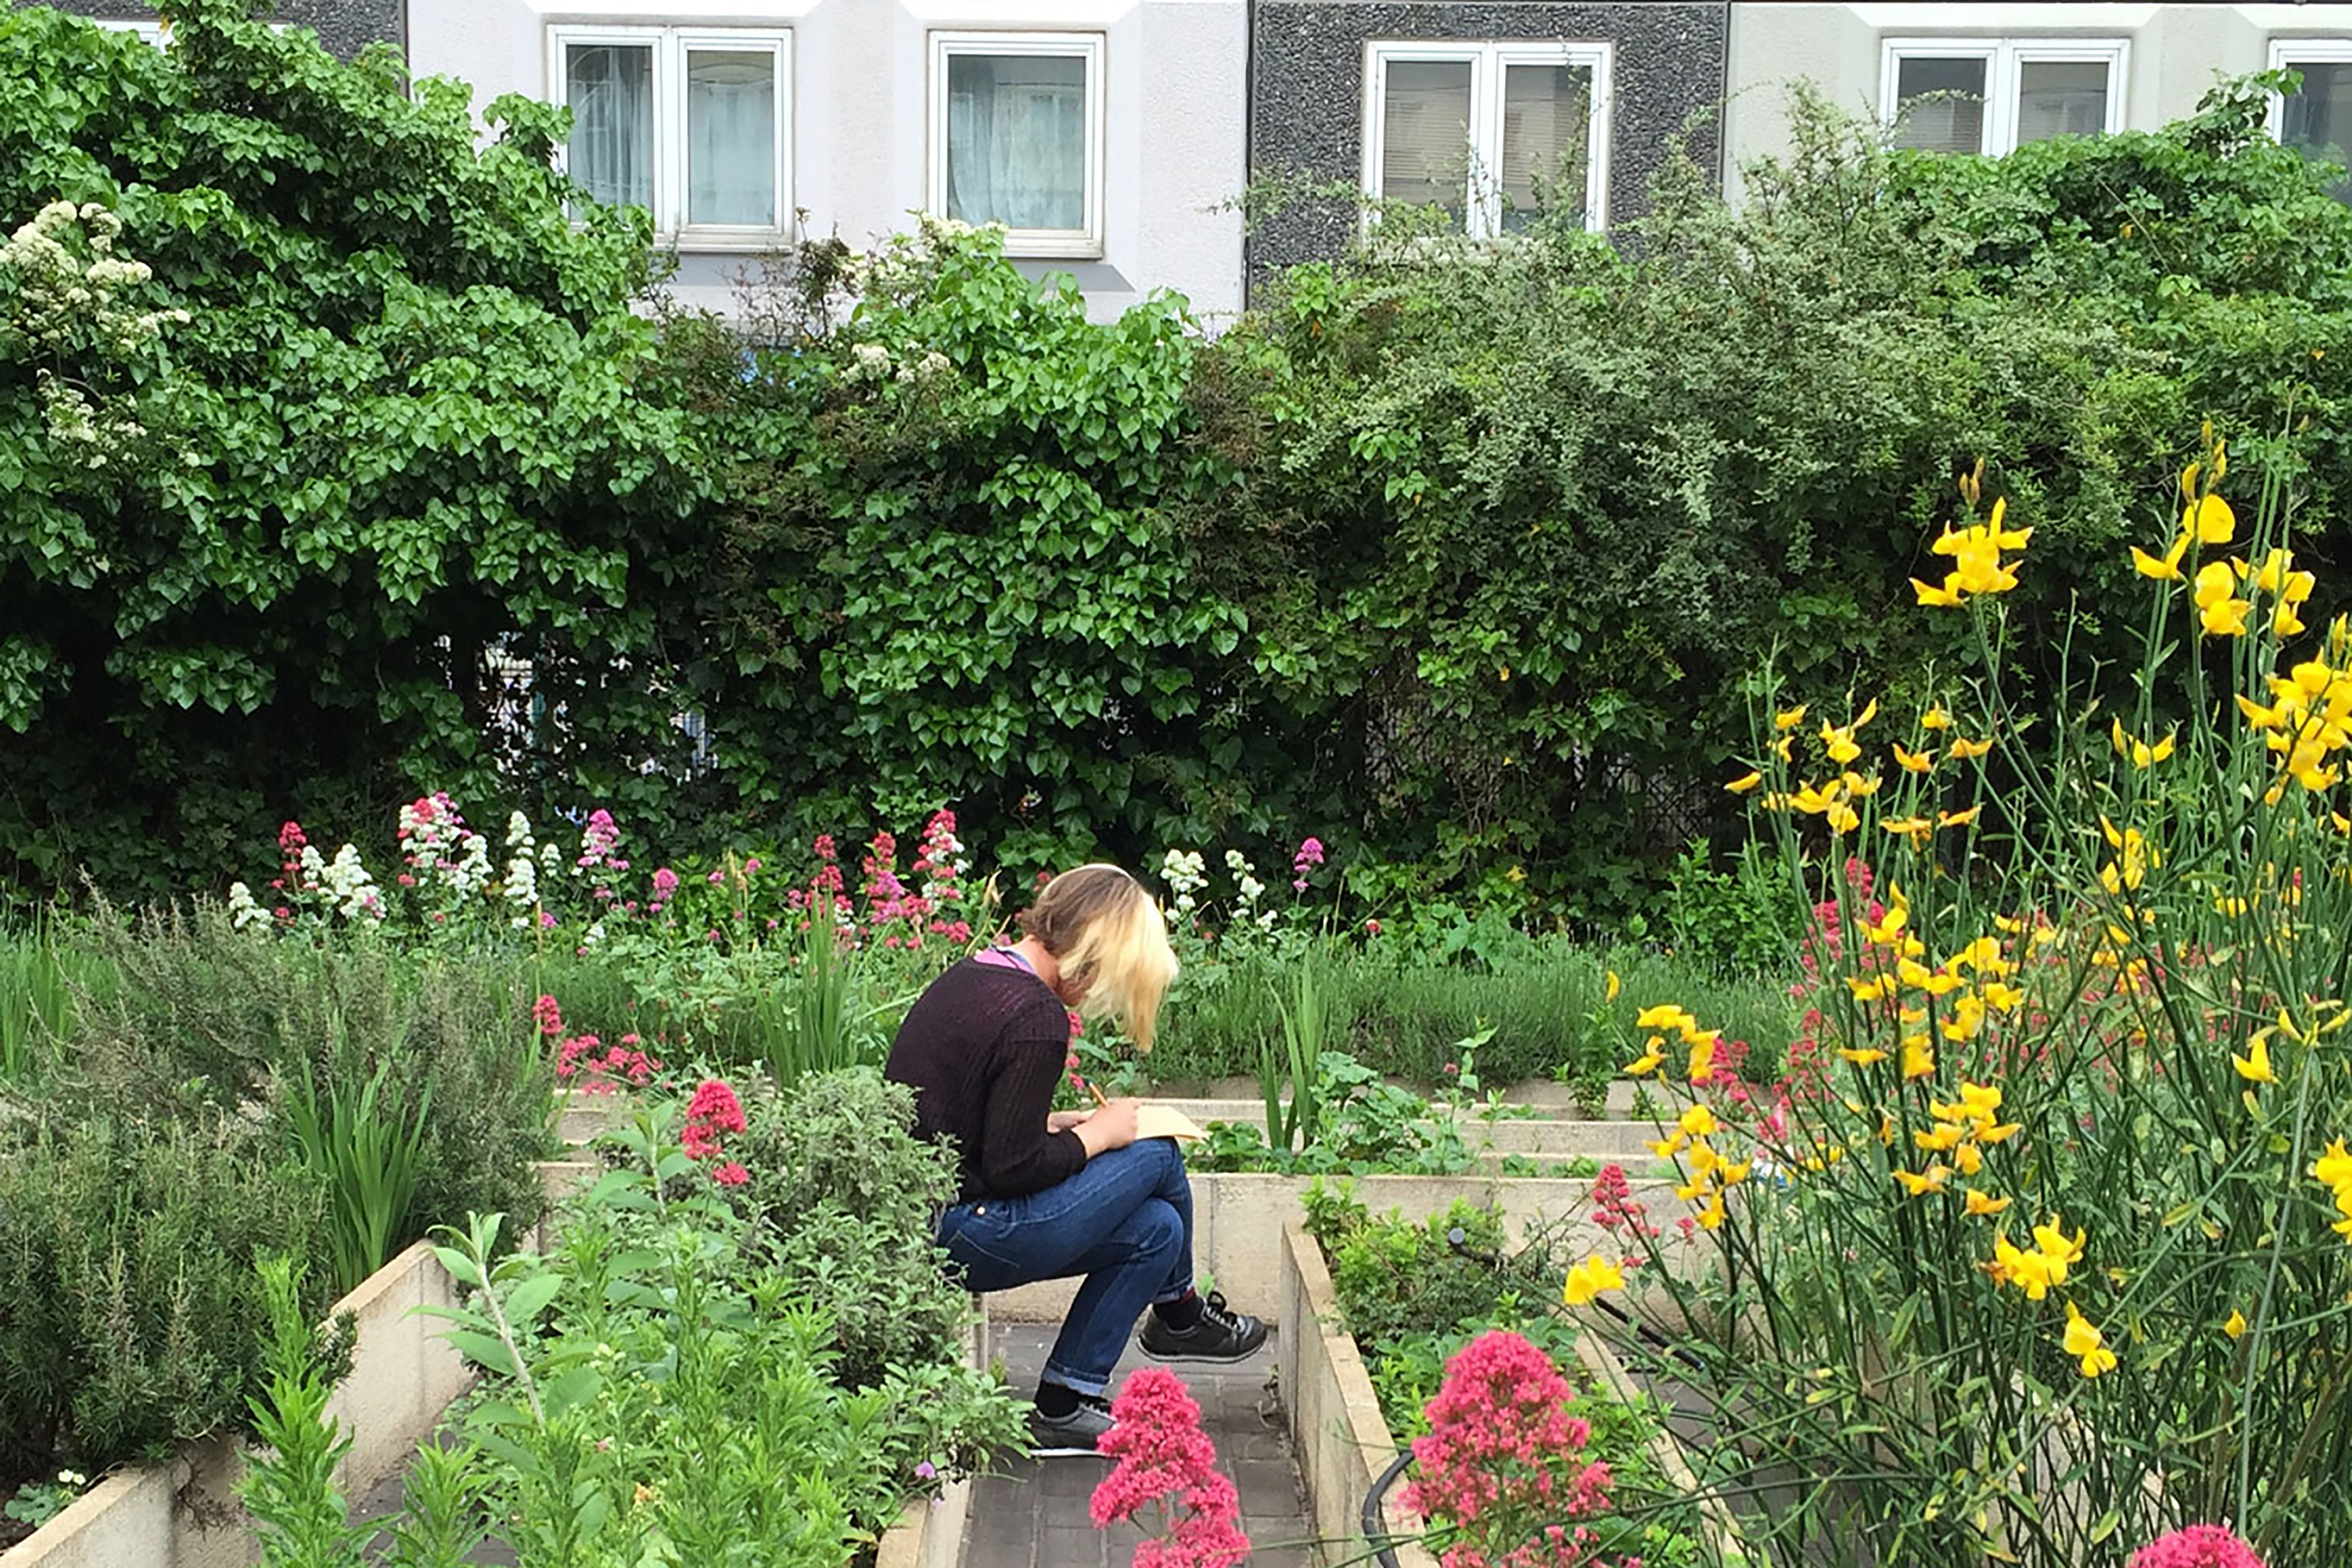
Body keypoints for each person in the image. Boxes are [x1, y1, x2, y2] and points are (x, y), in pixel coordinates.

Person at [884, 862, 1267, 1447]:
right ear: (1094, 955)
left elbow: (966, 1126)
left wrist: (1056, 1123)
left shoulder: (977, 975)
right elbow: (1014, 1171)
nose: (1093, 995)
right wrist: (1101, 1136)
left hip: (927, 1215)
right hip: (962, 1233)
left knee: (1157, 1230)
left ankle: (1066, 1400)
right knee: (1158, 1152)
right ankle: (1181, 1316)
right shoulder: (1036, 1017)